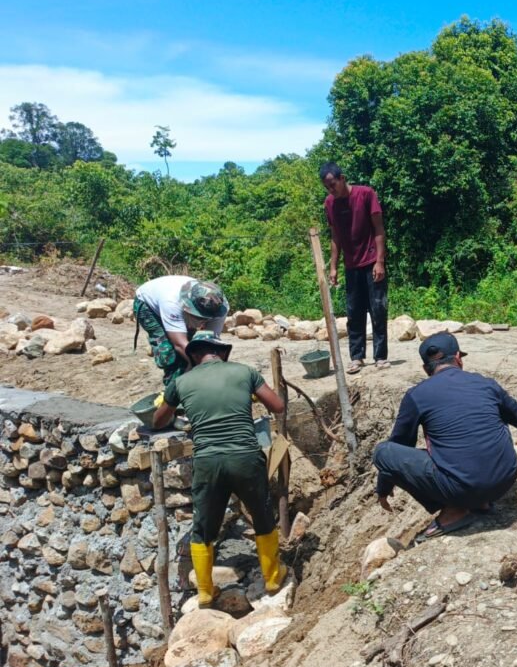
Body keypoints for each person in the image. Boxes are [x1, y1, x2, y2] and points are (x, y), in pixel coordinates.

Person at [372, 332, 517, 543]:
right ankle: (478, 502)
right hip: (505, 479)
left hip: (462, 489)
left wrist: (384, 487)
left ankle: (456, 510)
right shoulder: (486, 384)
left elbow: (400, 445)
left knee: (383, 452)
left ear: (426, 369)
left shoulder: (416, 395)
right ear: (458, 358)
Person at [152, 331, 289, 608]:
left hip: (208, 462)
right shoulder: (245, 372)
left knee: (203, 526)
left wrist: (173, 404)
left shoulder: (181, 382)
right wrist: (249, 395)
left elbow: (158, 421)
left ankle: (205, 591)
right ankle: (273, 578)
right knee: (262, 515)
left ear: (194, 355)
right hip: (245, 457)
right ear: (223, 352)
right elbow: (278, 406)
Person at [320, 161, 389, 374]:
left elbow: (379, 229)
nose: (331, 190)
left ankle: (380, 357)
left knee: (378, 309)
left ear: (342, 178)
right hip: (351, 265)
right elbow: (335, 236)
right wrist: (333, 267)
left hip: (371, 261)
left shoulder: (366, 194)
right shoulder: (330, 203)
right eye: (327, 187)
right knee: (354, 313)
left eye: (333, 184)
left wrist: (380, 261)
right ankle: (357, 358)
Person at [133, 276, 229, 387]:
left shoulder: (219, 306)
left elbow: (211, 343)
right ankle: (173, 389)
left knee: (196, 351)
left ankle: (188, 383)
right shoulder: (172, 302)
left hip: (178, 309)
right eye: (198, 317)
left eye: (206, 319)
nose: (202, 323)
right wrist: (204, 366)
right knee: (170, 353)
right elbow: (179, 344)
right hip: (148, 306)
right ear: (187, 307)